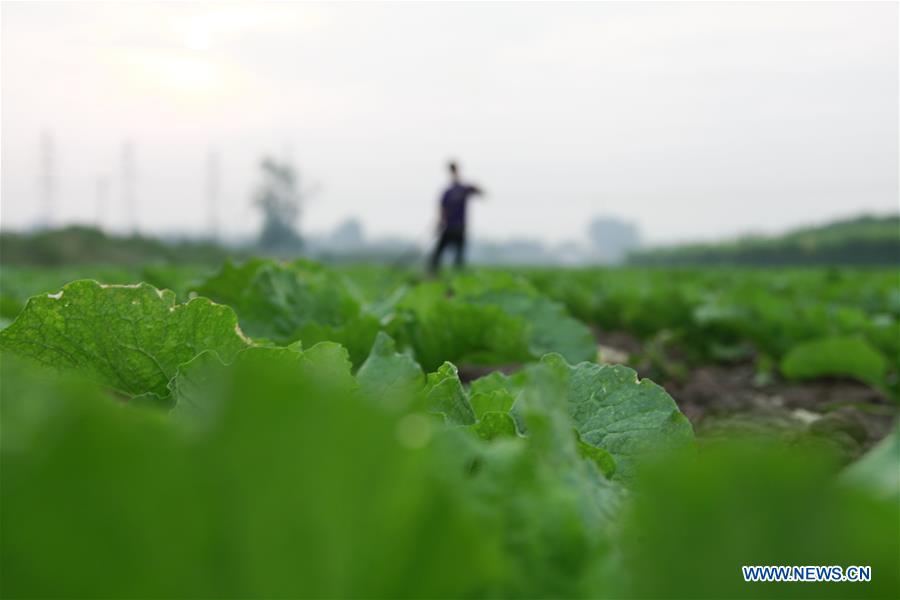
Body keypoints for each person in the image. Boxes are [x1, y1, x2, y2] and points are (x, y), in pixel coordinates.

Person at [429, 160, 483, 273]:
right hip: (448, 227)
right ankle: (433, 274)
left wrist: (474, 186)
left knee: (458, 255)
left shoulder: (464, 189)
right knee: (438, 253)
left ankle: (457, 276)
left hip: (459, 227)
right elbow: (442, 209)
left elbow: (480, 192)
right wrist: (439, 223)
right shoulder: (447, 192)